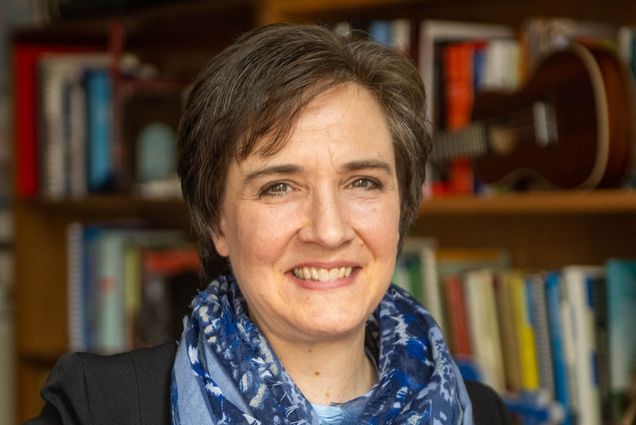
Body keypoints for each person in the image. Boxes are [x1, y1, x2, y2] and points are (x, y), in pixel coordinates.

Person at [28, 24, 512, 425]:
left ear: (402, 207)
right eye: (279, 186)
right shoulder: (101, 408)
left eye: (362, 182)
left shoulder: (481, 413)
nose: (328, 230)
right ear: (217, 222)